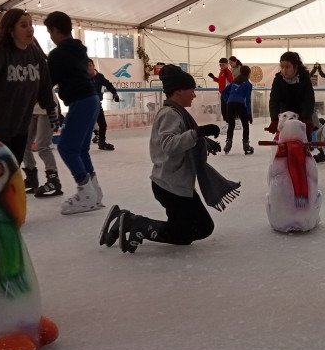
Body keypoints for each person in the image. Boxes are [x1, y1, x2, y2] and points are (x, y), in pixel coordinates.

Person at [98, 65, 240, 253]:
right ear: (179, 90)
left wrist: (201, 139)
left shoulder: (178, 113)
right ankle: (135, 223)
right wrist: (198, 133)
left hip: (177, 185)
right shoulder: (169, 114)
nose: (194, 95)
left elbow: (183, 138)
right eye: (192, 90)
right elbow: (169, 145)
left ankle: (126, 221)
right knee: (189, 232)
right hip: (170, 185)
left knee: (200, 228)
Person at [44, 11, 104, 215]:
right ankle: (94, 192)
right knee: (81, 149)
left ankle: (86, 193)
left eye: (49, 32)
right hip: (91, 99)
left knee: (67, 148)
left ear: (54, 30)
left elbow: (47, 82)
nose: (50, 36)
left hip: (81, 100)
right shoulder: (79, 50)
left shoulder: (58, 54)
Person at [0, 8, 59, 166]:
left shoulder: (35, 53)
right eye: (23, 25)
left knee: (13, 167)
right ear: (11, 30)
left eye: (31, 25)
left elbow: (45, 82)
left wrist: (50, 108)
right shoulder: (0, 53)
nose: (30, 29)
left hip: (21, 127)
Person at [266, 51, 316, 138]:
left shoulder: (304, 79)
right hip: (285, 115)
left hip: (302, 115)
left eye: (287, 67)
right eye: (282, 67)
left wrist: (306, 118)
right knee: (284, 140)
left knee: (303, 141)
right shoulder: (278, 80)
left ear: (295, 66)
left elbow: (308, 99)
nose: (284, 70)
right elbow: (274, 100)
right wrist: (274, 119)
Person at [23, 96, 64, 198]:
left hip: (46, 109)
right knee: (23, 144)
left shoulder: (44, 79)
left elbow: (46, 89)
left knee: (42, 146)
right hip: (30, 109)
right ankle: (31, 177)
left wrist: (53, 114)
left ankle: (53, 180)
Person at [87, 58, 121, 151]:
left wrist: (114, 93)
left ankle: (101, 142)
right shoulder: (82, 77)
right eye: (86, 66)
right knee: (85, 125)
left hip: (97, 105)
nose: (88, 68)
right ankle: (80, 143)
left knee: (102, 124)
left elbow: (108, 84)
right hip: (85, 106)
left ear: (93, 66)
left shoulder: (99, 77)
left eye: (89, 65)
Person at [221, 64, 254, 155]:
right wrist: (249, 113)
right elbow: (248, 99)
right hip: (240, 104)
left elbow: (223, 92)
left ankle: (228, 144)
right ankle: (246, 145)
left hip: (230, 104)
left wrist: (228, 100)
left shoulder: (234, 82)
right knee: (245, 125)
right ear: (248, 73)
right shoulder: (248, 84)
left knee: (231, 125)